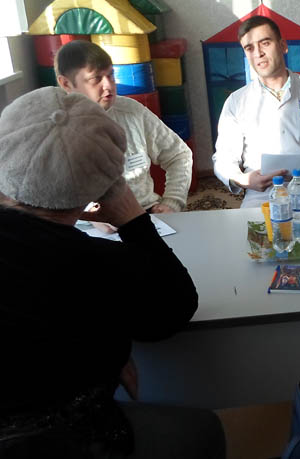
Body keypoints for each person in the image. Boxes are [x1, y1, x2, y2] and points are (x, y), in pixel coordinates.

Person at [0, 88, 224, 458]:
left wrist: (104, 351)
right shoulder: (99, 264)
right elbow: (173, 310)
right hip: (61, 438)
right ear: (102, 186)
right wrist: (133, 219)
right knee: (204, 430)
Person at [213, 16, 300, 208]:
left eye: (265, 43)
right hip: (262, 194)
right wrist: (244, 180)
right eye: (250, 48)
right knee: (253, 227)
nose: (258, 53)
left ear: (283, 46)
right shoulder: (236, 102)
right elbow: (223, 158)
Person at [55, 40, 193, 214]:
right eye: (96, 78)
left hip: (143, 211)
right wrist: (90, 213)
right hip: (86, 220)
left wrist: (172, 201)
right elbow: (50, 188)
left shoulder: (132, 111)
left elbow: (179, 155)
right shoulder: (54, 126)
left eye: (111, 75)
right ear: (66, 84)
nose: (108, 85)